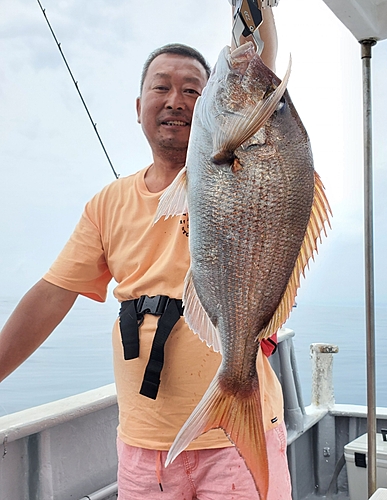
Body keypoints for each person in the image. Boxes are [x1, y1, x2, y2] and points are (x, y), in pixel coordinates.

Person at [0, 3, 291, 500]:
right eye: (161, 87)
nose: (176, 99)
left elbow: (256, 59)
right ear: (138, 107)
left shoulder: (234, 171)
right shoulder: (107, 204)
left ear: (213, 109)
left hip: (236, 442)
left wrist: (255, 8)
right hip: (143, 449)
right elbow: (52, 295)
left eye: (193, 89)